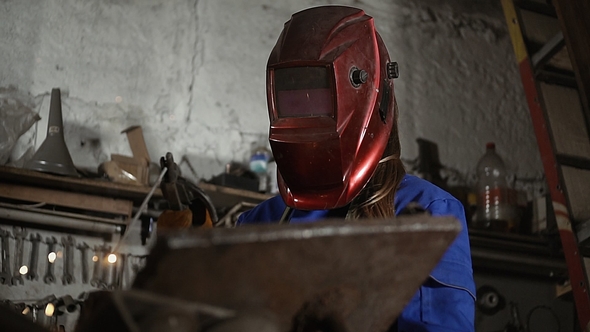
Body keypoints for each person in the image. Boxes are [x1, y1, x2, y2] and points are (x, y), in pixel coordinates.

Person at [237, 5, 475, 332]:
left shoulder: (429, 213)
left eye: (316, 97)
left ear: (369, 95)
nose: (305, 115)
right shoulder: (256, 225)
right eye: (295, 98)